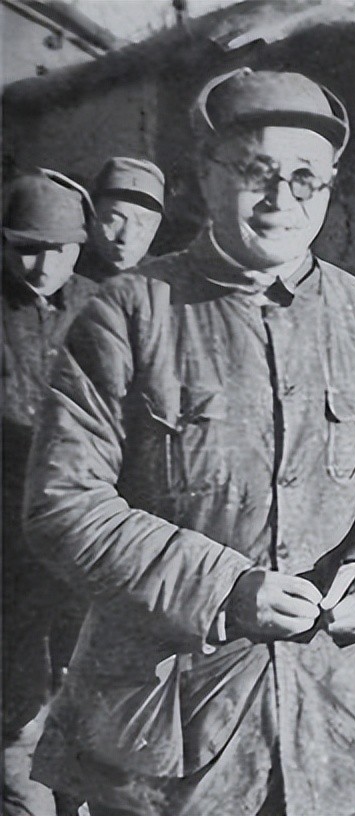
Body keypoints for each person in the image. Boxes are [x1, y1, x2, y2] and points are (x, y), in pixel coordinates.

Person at [23, 68, 355, 816]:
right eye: (257, 172)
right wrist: (223, 587)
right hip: (170, 743)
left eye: (306, 179)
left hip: (340, 733)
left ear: (330, 188)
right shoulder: (129, 314)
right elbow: (64, 503)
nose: (281, 200)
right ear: (206, 174)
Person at [2, 168, 98, 816]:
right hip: (7, 541)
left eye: (57, 250)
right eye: (25, 249)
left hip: (82, 530)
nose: (41, 265)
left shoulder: (102, 307)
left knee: (82, 686)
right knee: (18, 707)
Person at [77, 157, 166, 282]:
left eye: (141, 225)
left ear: (154, 228)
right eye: (114, 221)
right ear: (91, 216)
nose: (124, 237)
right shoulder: (58, 274)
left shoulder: (163, 284)